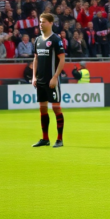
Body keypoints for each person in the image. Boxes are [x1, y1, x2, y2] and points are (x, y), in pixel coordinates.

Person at [31, 14, 66, 148]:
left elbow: (62, 59)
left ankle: (59, 139)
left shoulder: (56, 40)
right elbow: (36, 59)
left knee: (56, 109)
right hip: (40, 80)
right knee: (43, 109)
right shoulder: (38, 40)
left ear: (51, 23)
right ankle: (45, 138)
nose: (41, 24)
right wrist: (34, 76)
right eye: (40, 22)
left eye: (43, 22)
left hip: (51, 80)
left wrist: (55, 77)